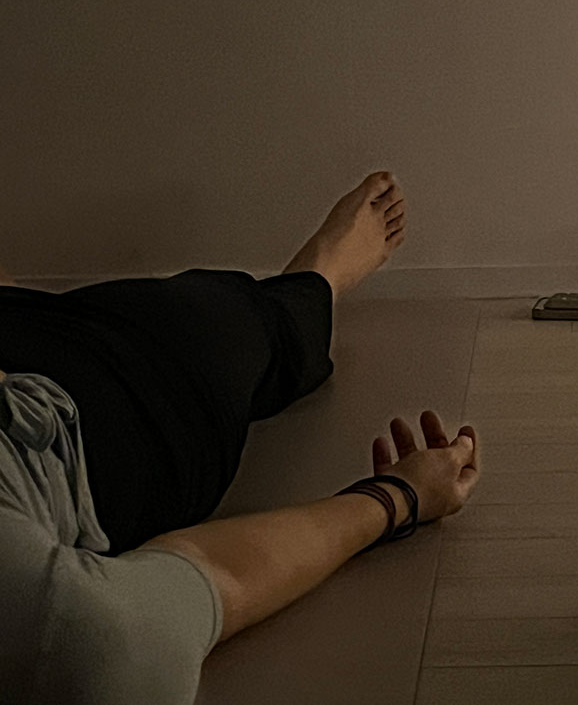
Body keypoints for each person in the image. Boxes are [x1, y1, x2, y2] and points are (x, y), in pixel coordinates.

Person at [0, 171, 481, 704]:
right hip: (93, 396)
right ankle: (311, 287)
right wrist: (398, 498)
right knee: (212, 322)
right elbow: (138, 625)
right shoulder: (51, 640)